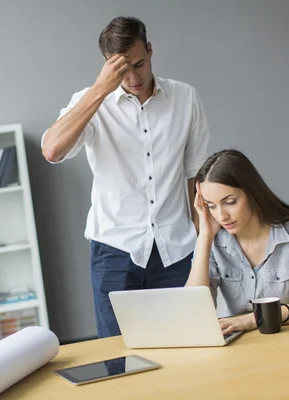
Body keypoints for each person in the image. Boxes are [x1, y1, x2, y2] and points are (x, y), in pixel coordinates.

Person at [41, 16, 210, 338]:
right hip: (114, 251)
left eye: (139, 64)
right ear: (106, 65)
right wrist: (100, 89)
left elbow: (195, 179)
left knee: (189, 349)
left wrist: (205, 247)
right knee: (121, 359)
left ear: (149, 50)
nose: (133, 77)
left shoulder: (185, 98)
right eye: (121, 70)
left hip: (177, 247)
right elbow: (52, 151)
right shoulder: (89, 102)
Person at [186, 149, 289, 336]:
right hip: (242, 350)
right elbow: (192, 314)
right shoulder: (214, 241)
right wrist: (205, 236)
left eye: (230, 202)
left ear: (252, 193)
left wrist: (256, 318)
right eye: (211, 206)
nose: (221, 216)